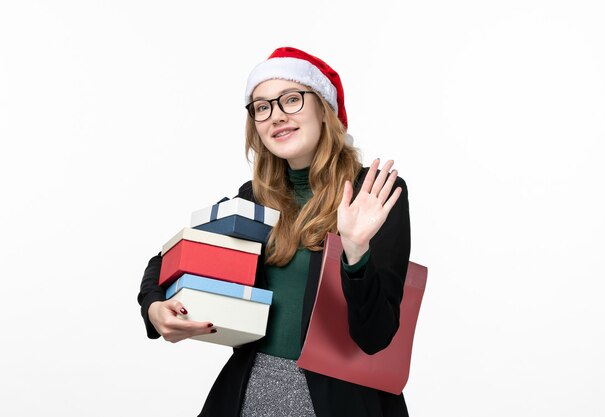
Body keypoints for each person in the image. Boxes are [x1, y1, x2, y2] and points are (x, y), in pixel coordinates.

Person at [137, 46, 412, 417]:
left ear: (323, 108)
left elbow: (376, 336)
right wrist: (155, 307)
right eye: (262, 107)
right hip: (251, 394)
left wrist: (356, 250)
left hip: (340, 403)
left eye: (292, 100)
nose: (276, 116)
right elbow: (169, 258)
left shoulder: (372, 194)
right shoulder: (253, 198)